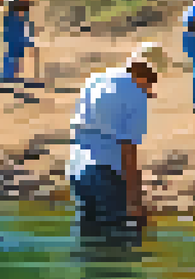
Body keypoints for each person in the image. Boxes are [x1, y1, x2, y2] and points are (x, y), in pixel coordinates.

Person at [68, 43, 168, 241]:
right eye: (153, 81)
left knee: (89, 243)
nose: (151, 88)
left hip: (77, 170)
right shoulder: (136, 94)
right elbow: (128, 151)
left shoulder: (97, 78)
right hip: (106, 173)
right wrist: (135, 203)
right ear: (147, 74)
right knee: (121, 242)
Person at [0, 0, 41, 83]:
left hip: (18, 28)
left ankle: (12, 74)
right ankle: (7, 75)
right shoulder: (13, 3)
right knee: (13, 51)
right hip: (13, 28)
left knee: (18, 52)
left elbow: (26, 18)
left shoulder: (20, 2)